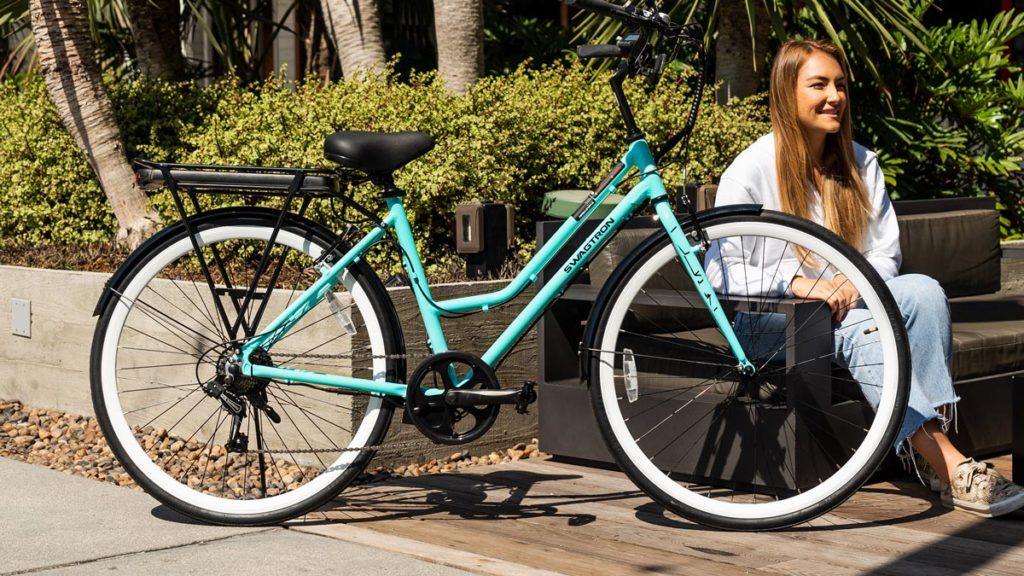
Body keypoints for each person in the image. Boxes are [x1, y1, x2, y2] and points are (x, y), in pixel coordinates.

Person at [708, 39, 1024, 517]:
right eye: (818, 84)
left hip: (848, 305)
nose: (834, 95)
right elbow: (720, 270)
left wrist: (856, 284)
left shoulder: (859, 163)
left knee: (922, 291)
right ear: (785, 92)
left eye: (839, 85)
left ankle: (928, 456)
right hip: (770, 322)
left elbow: (884, 253)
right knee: (864, 328)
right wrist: (796, 283)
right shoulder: (750, 170)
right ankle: (951, 465)